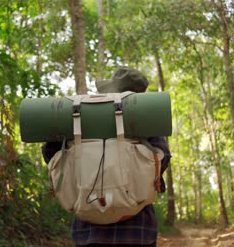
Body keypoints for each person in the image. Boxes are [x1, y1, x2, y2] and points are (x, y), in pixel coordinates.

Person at [42, 66, 172, 247]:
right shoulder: (145, 117)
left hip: (88, 230)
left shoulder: (79, 113)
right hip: (137, 229)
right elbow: (162, 156)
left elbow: (50, 153)